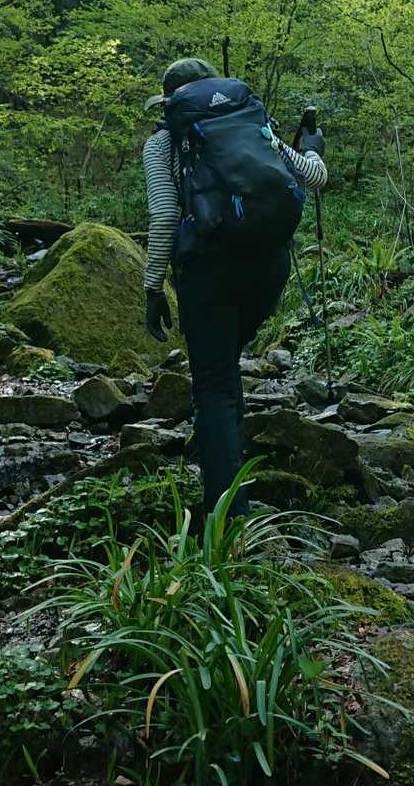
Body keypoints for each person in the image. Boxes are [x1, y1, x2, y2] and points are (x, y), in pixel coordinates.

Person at [140, 57, 326, 519]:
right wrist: (313, 147)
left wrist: (153, 286)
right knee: (226, 369)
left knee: (214, 386)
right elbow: (315, 176)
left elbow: (164, 217)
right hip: (268, 266)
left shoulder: (163, 141)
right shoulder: (253, 125)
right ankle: (234, 473)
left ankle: (227, 521)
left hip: (208, 271)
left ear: (169, 102)